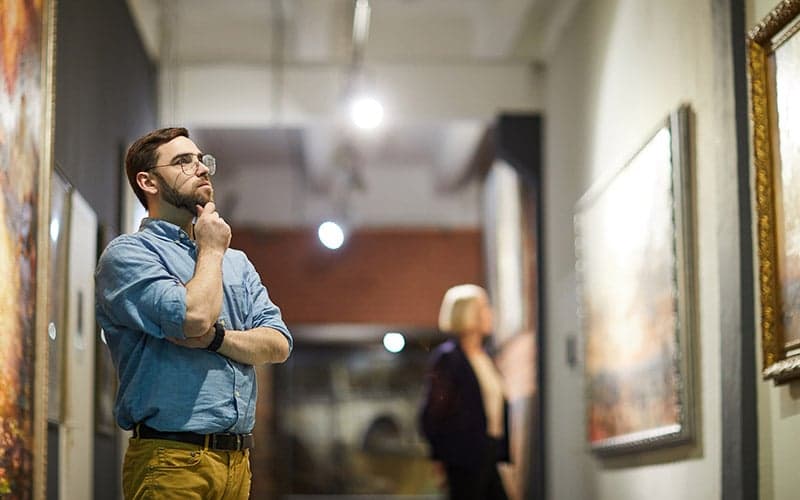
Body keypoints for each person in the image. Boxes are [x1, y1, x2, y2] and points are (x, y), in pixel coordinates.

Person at [95, 127, 292, 500]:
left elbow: (278, 343)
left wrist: (218, 339)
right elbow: (194, 318)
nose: (201, 169)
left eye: (202, 160)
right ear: (148, 181)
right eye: (184, 161)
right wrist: (212, 250)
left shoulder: (238, 263)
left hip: (237, 462)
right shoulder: (129, 255)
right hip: (171, 458)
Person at [419, 284, 510, 500]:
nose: (490, 313)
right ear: (469, 313)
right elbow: (432, 415)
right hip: (464, 457)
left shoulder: (485, 358)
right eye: (484, 307)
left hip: (489, 451)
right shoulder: (449, 359)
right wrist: (440, 458)